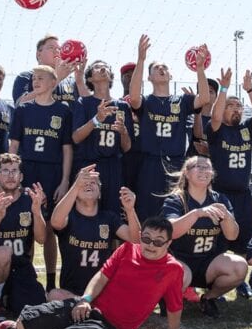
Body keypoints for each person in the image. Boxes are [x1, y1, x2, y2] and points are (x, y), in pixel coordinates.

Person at [0, 216, 184, 329]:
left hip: (109, 328)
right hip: (87, 307)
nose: (151, 245)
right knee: (23, 322)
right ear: (140, 236)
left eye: (158, 241)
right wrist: (85, 300)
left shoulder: (173, 269)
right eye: (147, 239)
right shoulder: (126, 249)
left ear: (169, 243)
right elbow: (101, 277)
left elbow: (175, 306)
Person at [128, 34, 210, 222]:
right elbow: (133, 98)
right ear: (149, 77)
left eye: (165, 67)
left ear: (171, 75)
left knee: (175, 210)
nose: (162, 69)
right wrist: (141, 60)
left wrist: (200, 68)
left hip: (176, 162)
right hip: (150, 163)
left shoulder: (181, 101)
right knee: (148, 213)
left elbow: (204, 99)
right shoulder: (147, 101)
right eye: (156, 68)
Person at [9, 65, 73, 292]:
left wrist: (65, 180)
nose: (35, 81)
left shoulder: (63, 110)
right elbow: (14, 145)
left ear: (53, 82)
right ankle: (23, 277)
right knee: (24, 225)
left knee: (49, 231)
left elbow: (67, 148)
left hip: (52, 173)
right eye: (34, 78)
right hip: (28, 171)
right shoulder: (23, 109)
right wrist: (11, 175)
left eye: (41, 78)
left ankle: (50, 281)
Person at [161, 156, 246, 318]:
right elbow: (171, 231)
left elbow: (232, 235)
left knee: (240, 266)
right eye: (198, 167)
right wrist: (197, 213)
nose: (204, 171)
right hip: (181, 260)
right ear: (186, 173)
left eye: (207, 168)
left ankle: (208, 298)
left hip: (209, 263)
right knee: (178, 272)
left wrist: (227, 217)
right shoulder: (176, 199)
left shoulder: (220, 199)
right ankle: (168, 298)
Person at [206, 69, 252, 298]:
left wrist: (250, 90)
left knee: (243, 239)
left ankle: (241, 281)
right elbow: (213, 117)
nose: (236, 109)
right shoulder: (217, 129)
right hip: (220, 194)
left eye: (239, 106)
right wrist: (223, 89)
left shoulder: (246, 131)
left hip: (242, 195)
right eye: (232, 106)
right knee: (219, 240)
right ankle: (217, 282)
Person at [48, 164, 141, 299]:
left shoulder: (109, 218)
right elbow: (55, 221)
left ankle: (87, 307)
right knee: (54, 295)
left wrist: (130, 209)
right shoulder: (69, 216)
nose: (88, 185)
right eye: (84, 183)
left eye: (93, 183)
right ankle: (86, 306)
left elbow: (136, 240)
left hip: (102, 291)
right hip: (71, 293)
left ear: (100, 193)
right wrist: (75, 186)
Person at [0, 153, 47, 321]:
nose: (10, 175)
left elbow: (42, 239)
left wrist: (37, 212)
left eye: (14, 171)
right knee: (4, 252)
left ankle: (9, 299)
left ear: (21, 176)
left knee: (34, 308)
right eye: (5, 171)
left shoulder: (30, 201)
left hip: (22, 268)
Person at [72, 60, 133, 214]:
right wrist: (96, 120)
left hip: (113, 167)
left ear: (111, 77)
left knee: (112, 215)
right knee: (87, 211)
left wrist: (124, 132)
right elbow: (76, 137)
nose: (103, 68)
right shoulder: (84, 103)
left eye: (106, 66)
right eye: (97, 67)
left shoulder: (123, 106)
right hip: (89, 166)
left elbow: (127, 147)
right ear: (90, 79)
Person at [12, 34, 86, 108]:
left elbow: (88, 109)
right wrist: (56, 79)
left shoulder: (71, 81)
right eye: (51, 48)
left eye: (59, 49)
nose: (57, 51)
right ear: (38, 54)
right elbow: (20, 105)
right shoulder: (26, 77)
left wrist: (80, 82)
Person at [120, 62, 142, 194]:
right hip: (121, 158)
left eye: (133, 74)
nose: (130, 77)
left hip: (142, 158)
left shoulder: (147, 104)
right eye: (126, 75)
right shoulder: (115, 103)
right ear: (121, 79)